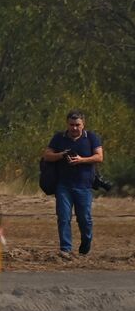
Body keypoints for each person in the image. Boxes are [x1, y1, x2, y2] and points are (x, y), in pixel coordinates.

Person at [43, 110, 104, 257]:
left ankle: (86, 243)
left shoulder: (92, 138)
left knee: (85, 219)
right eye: (71, 125)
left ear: (83, 124)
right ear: (67, 124)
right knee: (63, 217)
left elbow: (99, 157)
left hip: (84, 186)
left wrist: (81, 160)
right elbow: (47, 155)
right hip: (63, 185)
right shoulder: (59, 138)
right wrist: (62, 154)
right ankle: (65, 249)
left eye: (77, 125)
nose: (74, 128)